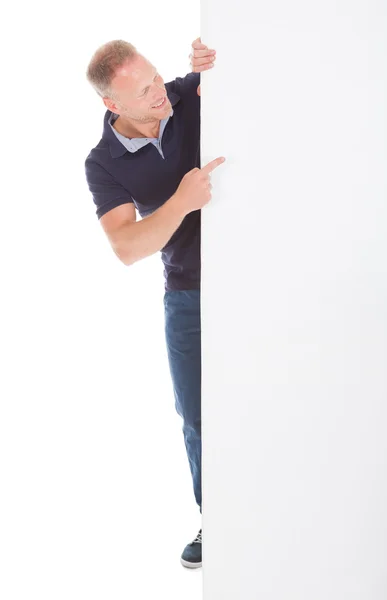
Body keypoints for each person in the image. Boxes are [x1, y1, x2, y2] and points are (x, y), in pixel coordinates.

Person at [84, 37, 225, 569]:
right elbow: (127, 247)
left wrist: (213, 58)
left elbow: (254, 72)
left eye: (156, 77)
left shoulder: (187, 94)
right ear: (112, 106)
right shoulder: (103, 164)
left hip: (255, 282)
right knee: (196, 415)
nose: (159, 92)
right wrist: (182, 204)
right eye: (143, 91)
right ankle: (218, 518)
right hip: (186, 292)